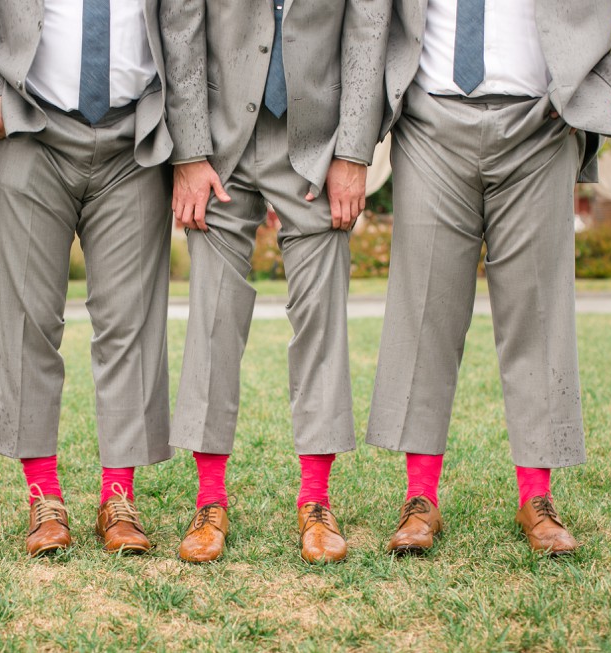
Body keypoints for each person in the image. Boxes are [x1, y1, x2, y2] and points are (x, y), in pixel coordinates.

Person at [367, 0, 611, 556]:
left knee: (538, 314)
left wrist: (607, 86)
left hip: (543, 122)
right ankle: (419, 499)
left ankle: (537, 498)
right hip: (428, 118)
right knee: (424, 313)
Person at [160, 0, 390, 563]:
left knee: (321, 320)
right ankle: (209, 500)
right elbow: (182, 26)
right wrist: (189, 150)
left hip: (318, 141)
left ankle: (316, 500)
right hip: (220, 141)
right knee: (212, 317)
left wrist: (354, 151)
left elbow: (368, 28)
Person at [0, 0, 174, 555]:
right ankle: (43, 496)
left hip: (135, 133)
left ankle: (118, 495)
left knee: (130, 320)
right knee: (30, 320)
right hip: (30, 126)